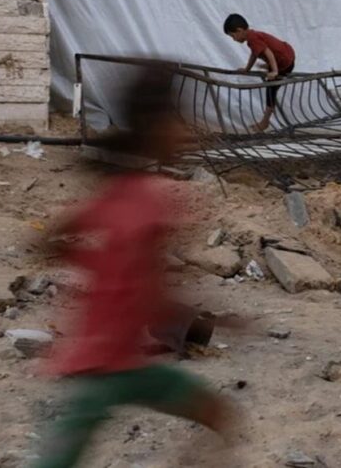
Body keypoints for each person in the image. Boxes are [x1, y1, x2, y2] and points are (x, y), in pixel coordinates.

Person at [32, 69, 247, 468]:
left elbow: (51, 238)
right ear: (155, 128)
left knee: (216, 413)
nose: (185, 131)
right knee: (217, 415)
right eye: (178, 119)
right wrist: (222, 323)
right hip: (106, 366)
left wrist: (101, 271)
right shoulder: (150, 202)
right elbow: (155, 301)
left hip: (117, 358)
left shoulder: (119, 192)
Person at [223, 13, 296, 132]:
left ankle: (265, 122)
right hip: (287, 55)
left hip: (285, 62)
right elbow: (255, 54)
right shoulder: (253, 37)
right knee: (270, 83)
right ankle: (270, 66)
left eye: (233, 36)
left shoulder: (253, 39)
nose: (234, 39)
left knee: (270, 89)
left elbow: (268, 52)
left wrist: (274, 71)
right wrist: (247, 69)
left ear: (239, 30)